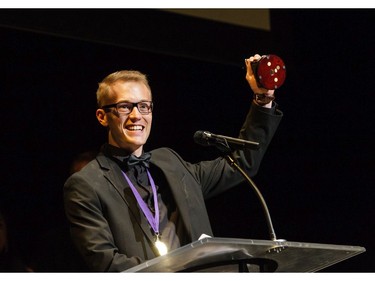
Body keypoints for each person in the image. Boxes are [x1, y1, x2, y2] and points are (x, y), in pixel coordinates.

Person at [63, 54, 283, 272]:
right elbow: (107, 264)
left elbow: (242, 163)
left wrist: (263, 98)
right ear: (102, 116)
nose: (136, 115)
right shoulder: (86, 185)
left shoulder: (171, 163)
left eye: (144, 106)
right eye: (124, 107)